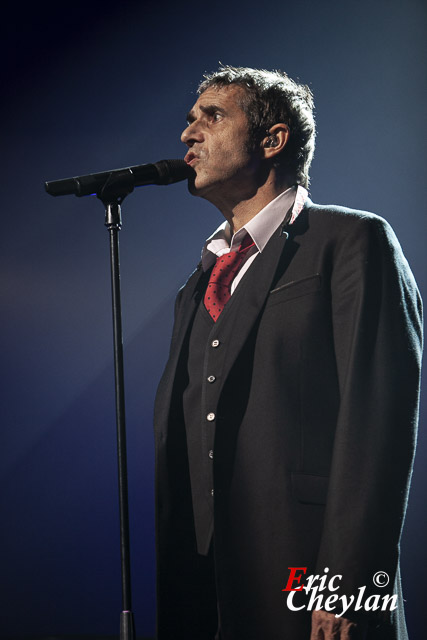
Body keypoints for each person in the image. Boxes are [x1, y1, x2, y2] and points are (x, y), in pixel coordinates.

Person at [153, 65, 423, 640]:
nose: (188, 134)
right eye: (189, 119)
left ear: (272, 140)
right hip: (210, 588)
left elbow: (377, 422)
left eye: (212, 116)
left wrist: (346, 583)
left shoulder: (351, 241)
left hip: (311, 581)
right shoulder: (195, 287)